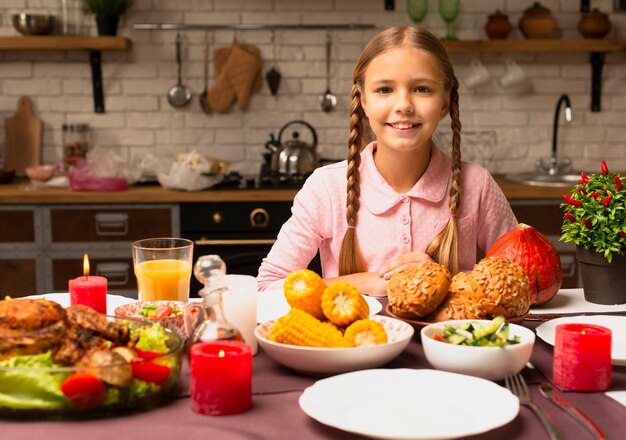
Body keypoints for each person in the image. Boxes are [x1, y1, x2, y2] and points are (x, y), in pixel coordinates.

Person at [257, 26, 517, 296]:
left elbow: (523, 284)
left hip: (445, 339)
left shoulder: (477, 185)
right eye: (384, 89)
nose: (403, 104)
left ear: (444, 103)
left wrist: (439, 281)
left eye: (422, 88)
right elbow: (267, 287)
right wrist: (365, 283)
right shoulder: (326, 188)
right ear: (364, 101)